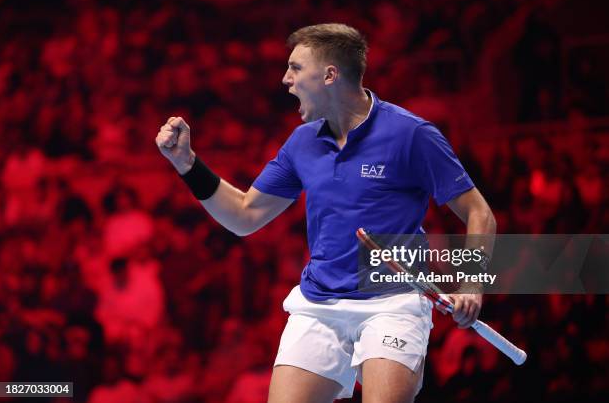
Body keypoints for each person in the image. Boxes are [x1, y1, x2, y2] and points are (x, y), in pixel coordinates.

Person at [156, 23, 496, 403]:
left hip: (392, 303)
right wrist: (187, 163)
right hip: (318, 305)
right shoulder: (302, 143)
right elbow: (244, 215)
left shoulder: (411, 134)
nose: (286, 79)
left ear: (330, 75)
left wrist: (473, 284)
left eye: (295, 68)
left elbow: (479, 214)